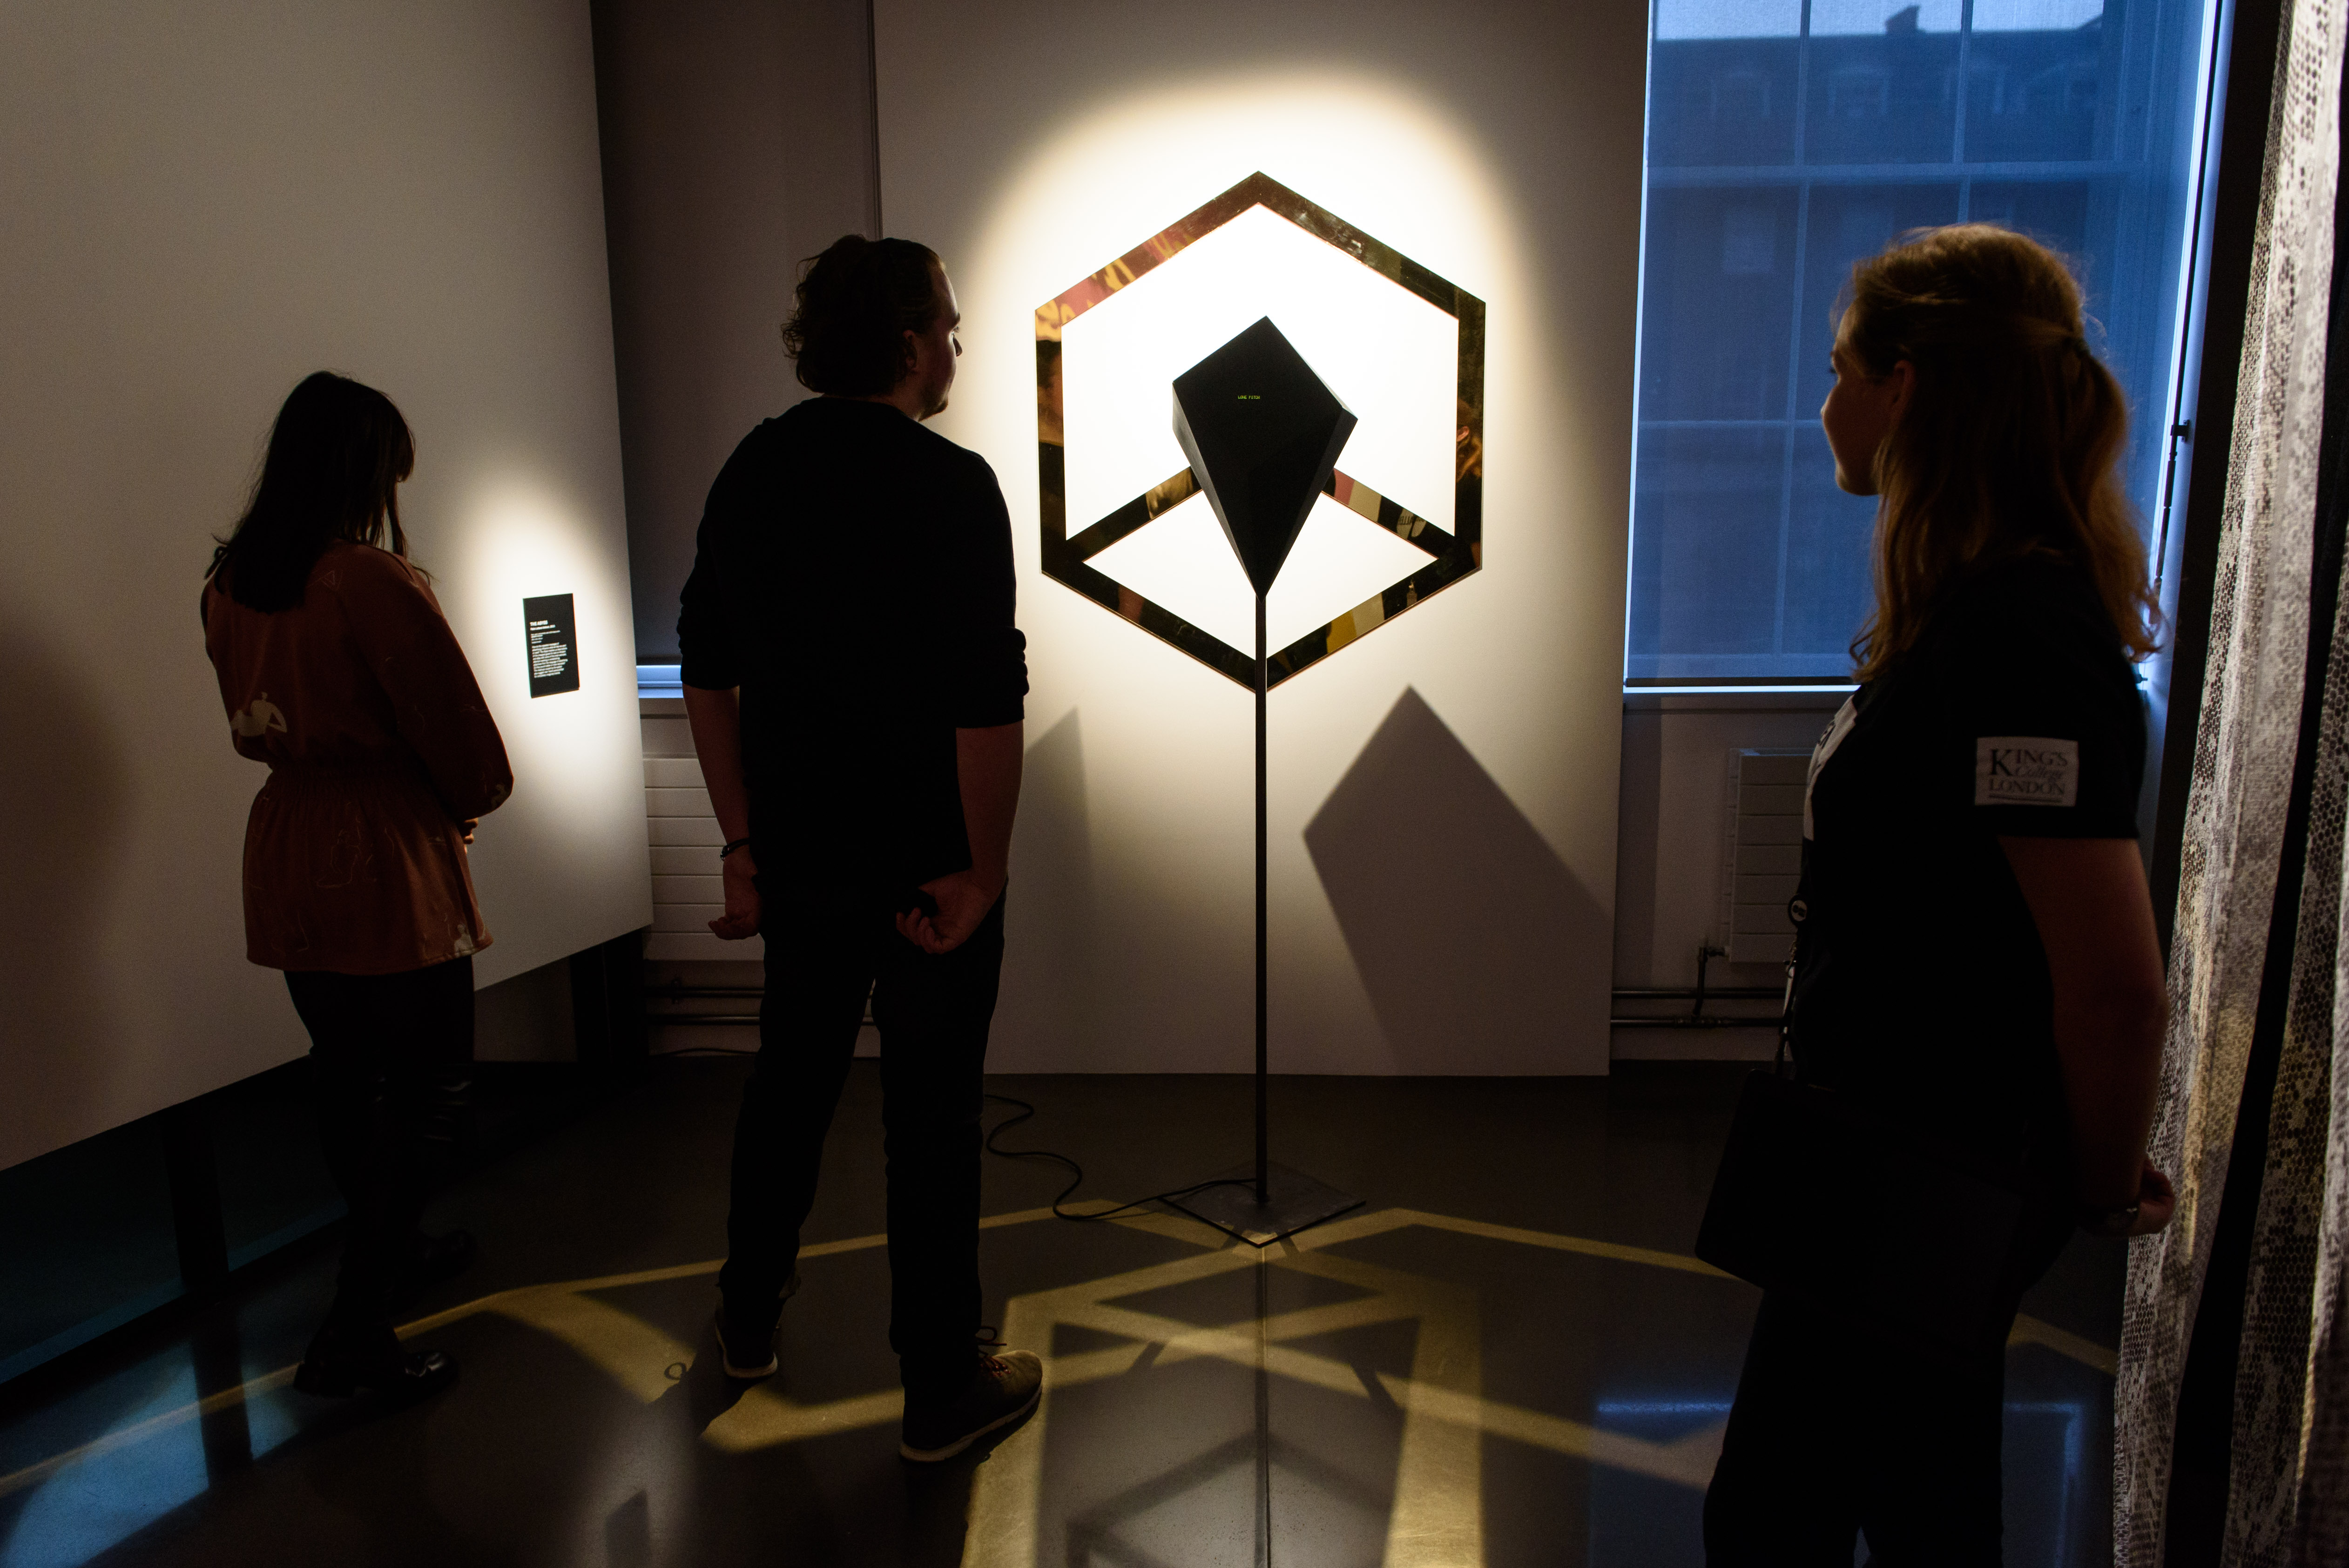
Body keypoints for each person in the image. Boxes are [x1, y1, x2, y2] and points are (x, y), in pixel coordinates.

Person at [1702, 225, 2179, 1561]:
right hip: (1892, 1166)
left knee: (1779, 1517)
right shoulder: (1973, 611)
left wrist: (2083, 1186)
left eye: (1838, 367)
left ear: (1902, 386)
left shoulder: (2020, 639)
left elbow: (2111, 986)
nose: (1822, 403)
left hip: (1928, 1177)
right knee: (1909, 1496)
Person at [678, 234, 1037, 1463]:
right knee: (929, 1120)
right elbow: (986, 705)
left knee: (790, 1085)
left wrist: (739, 838)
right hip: (928, 868)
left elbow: (707, 672)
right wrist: (982, 873)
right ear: (901, 342)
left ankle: (741, 1317)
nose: (954, 343)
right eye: (944, 323)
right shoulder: (951, 486)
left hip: (800, 859)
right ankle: (939, 1389)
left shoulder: (751, 473)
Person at [203, 372, 511, 1399]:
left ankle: (394, 1248)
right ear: (363, 471)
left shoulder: (232, 581)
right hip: (379, 843)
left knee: (344, 1065)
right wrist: (472, 796)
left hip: (289, 837)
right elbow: (454, 727)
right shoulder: (366, 580)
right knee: (432, 1094)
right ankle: (354, 1330)